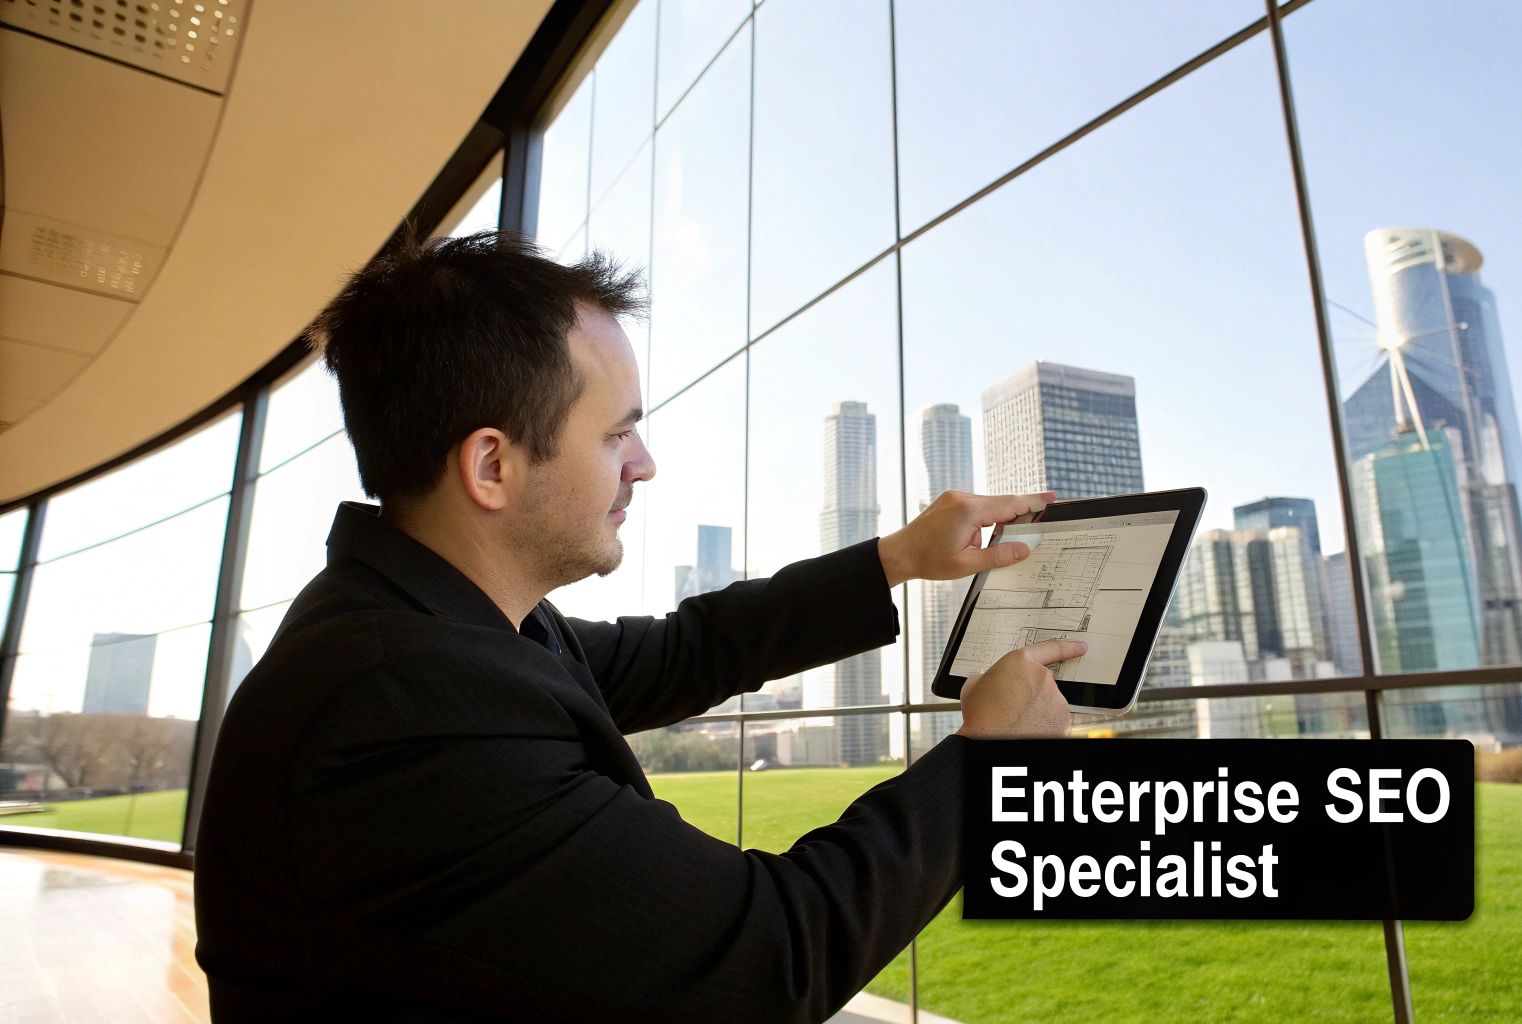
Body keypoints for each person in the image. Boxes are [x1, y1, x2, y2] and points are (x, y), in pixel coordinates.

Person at [193, 230, 1081, 1022]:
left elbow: (688, 650)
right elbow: (771, 956)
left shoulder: (446, 627)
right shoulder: (401, 702)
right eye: (619, 435)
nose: (644, 465)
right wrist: (987, 762)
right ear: (492, 464)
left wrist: (898, 557)